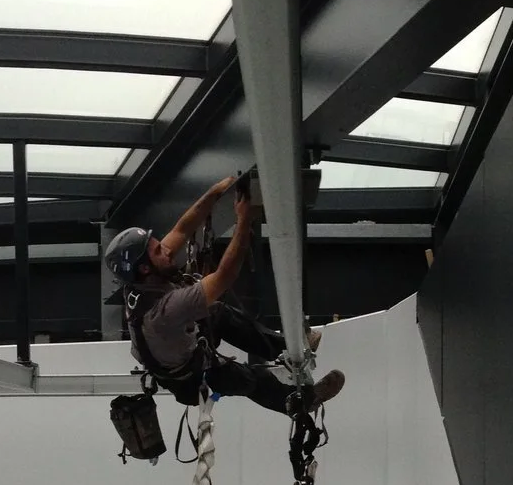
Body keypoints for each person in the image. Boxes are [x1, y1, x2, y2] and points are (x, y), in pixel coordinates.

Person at [106, 174, 345, 414]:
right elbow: (225, 276)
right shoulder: (164, 311)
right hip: (190, 376)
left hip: (173, 351)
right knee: (250, 378)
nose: (166, 251)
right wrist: (244, 221)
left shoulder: (140, 280)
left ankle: (283, 346)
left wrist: (214, 193)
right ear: (145, 268)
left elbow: (182, 229)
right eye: (158, 251)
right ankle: (302, 403)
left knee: (218, 312)